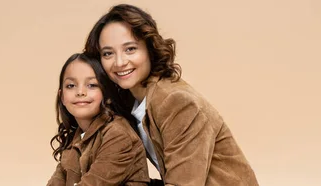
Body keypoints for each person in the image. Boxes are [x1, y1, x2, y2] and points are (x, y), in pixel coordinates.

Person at [83, 4, 259, 186]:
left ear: (149, 49)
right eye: (108, 53)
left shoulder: (176, 102)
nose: (119, 62)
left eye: (130, 49)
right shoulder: (130, 101)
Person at [47, 53, 150, 186]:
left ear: (107, 94)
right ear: (62, 97)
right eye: (71, 86)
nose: (80, 92)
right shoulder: (76, 138)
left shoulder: (118, 135)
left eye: (92, 85)